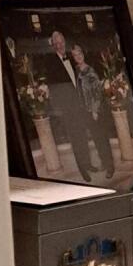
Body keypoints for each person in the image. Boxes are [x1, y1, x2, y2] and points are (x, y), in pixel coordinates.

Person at [35, 27, 101, 181]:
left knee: (84, 136)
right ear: (52, 44)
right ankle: (83, 169)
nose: (59, 45)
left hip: (82, 105)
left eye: (61, 42)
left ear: (64, 42)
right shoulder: (49, 62)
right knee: (76, 138)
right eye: (56, 43)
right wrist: (60, 107)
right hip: (68, 108)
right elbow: (53, 87)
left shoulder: (72, 58)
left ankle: (88, 163)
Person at [70, 43, 113, 181]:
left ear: (83, 53)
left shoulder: (90, 71)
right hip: (83, 111)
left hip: (95, 111)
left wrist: (95, 110)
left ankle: (110, 166)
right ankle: (103, 163)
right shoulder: (76, 71)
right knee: (95, 139)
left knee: (102, 139)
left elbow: (97, 92)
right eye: (75, 55)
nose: (79, 56)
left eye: (80, 53)